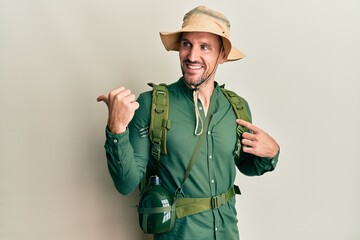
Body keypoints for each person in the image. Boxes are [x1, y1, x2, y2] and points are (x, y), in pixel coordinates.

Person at [97, 5, 280, 240]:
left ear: (222, 55)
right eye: (187, 44)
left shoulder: (236, 107)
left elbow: (247, 165)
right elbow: (126, 184)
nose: (192, 56)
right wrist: (116, 130)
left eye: (205, 47)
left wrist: (272, 153)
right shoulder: (152, 105)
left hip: (228, 233)